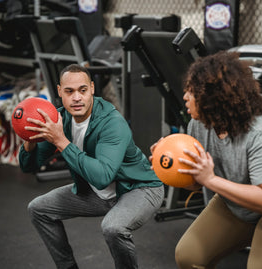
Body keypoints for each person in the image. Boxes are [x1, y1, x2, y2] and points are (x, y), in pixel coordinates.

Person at [18, 64, 164, 269]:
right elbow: (27, 166)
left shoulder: (111, 122)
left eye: (82, 90)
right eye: (69, 91)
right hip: (98, 194)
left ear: (92, 89)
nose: (77, 97)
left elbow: (103, 176)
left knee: (113, 227)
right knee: (38, 209)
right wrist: (29, 140)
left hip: (139, 189)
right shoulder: (60, 121)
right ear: (60, 92)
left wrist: (61, 141)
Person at [150, 51, 262, 269]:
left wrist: (211, 180)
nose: (184, 96)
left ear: (214, 98)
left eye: (192, 92)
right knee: (189, 256)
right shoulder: (199, 125)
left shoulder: (260, 135)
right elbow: (195, 182)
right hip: (236, 204)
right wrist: (168, 164)